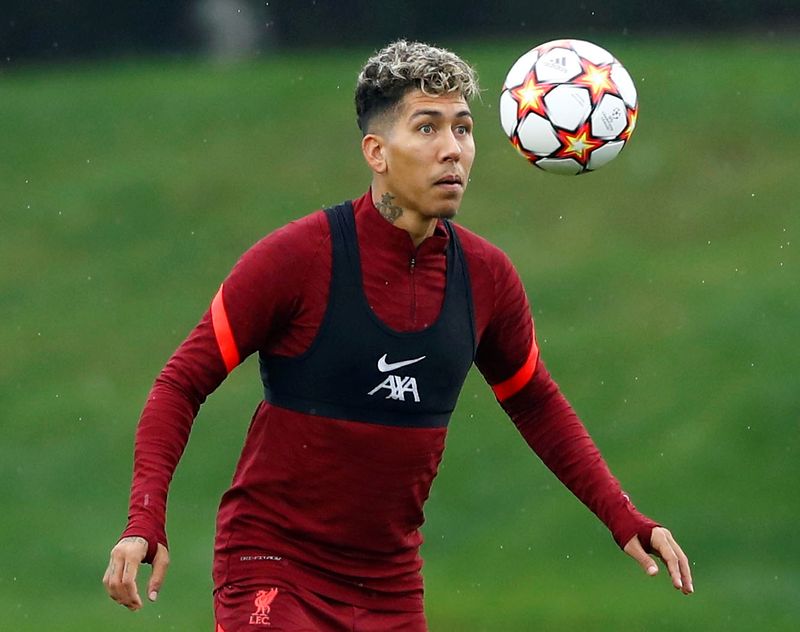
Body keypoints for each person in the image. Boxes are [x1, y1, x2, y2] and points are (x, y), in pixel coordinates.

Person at [103, 40, 693, 631]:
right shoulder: (298, 258)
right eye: (428, 128)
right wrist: (144, 518)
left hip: (388, 587)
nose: (452, 151)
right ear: (377, 152)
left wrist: (625, 517)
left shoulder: (486, 278)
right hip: (273, 568)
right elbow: (181, 382)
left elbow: (535, 401)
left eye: (463, 129)